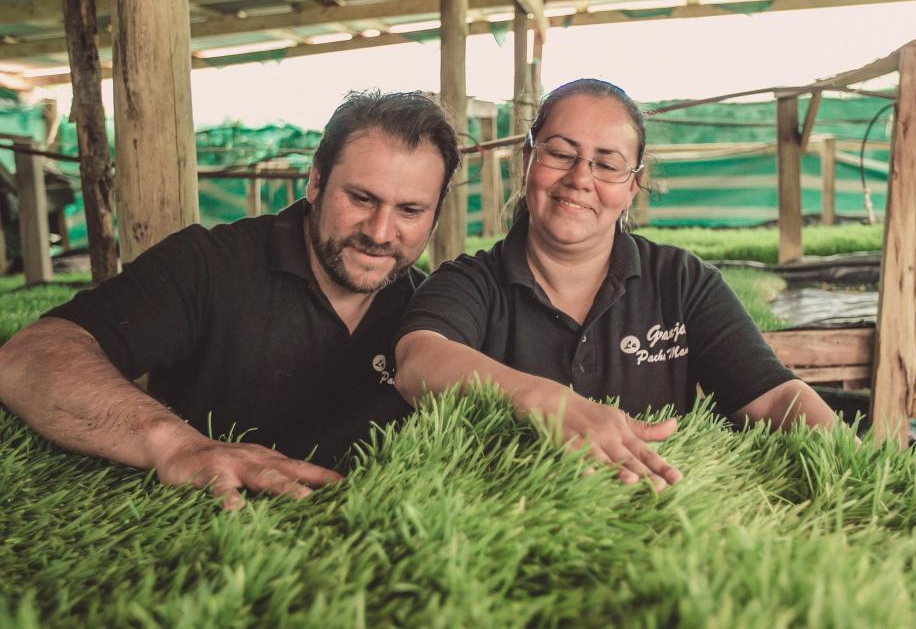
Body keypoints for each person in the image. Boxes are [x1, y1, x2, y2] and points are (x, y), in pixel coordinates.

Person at [0, 90, 460, 509]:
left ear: (435, 215)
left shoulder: (430, 312)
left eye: (409, 211)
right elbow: (27, 357)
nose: (380, 233)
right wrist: (176, 445)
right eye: (361, 198)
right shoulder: (207, 264)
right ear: (316, 181)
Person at [394, 79, 839, 490]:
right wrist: (547, 401)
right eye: (560, 154)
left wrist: (857, 460)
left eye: (607, 164)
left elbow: (775, 397)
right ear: (528, 160)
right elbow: (419, 360)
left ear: (633, 185)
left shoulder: (681, 282)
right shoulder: (472, 282)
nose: (580, 179)